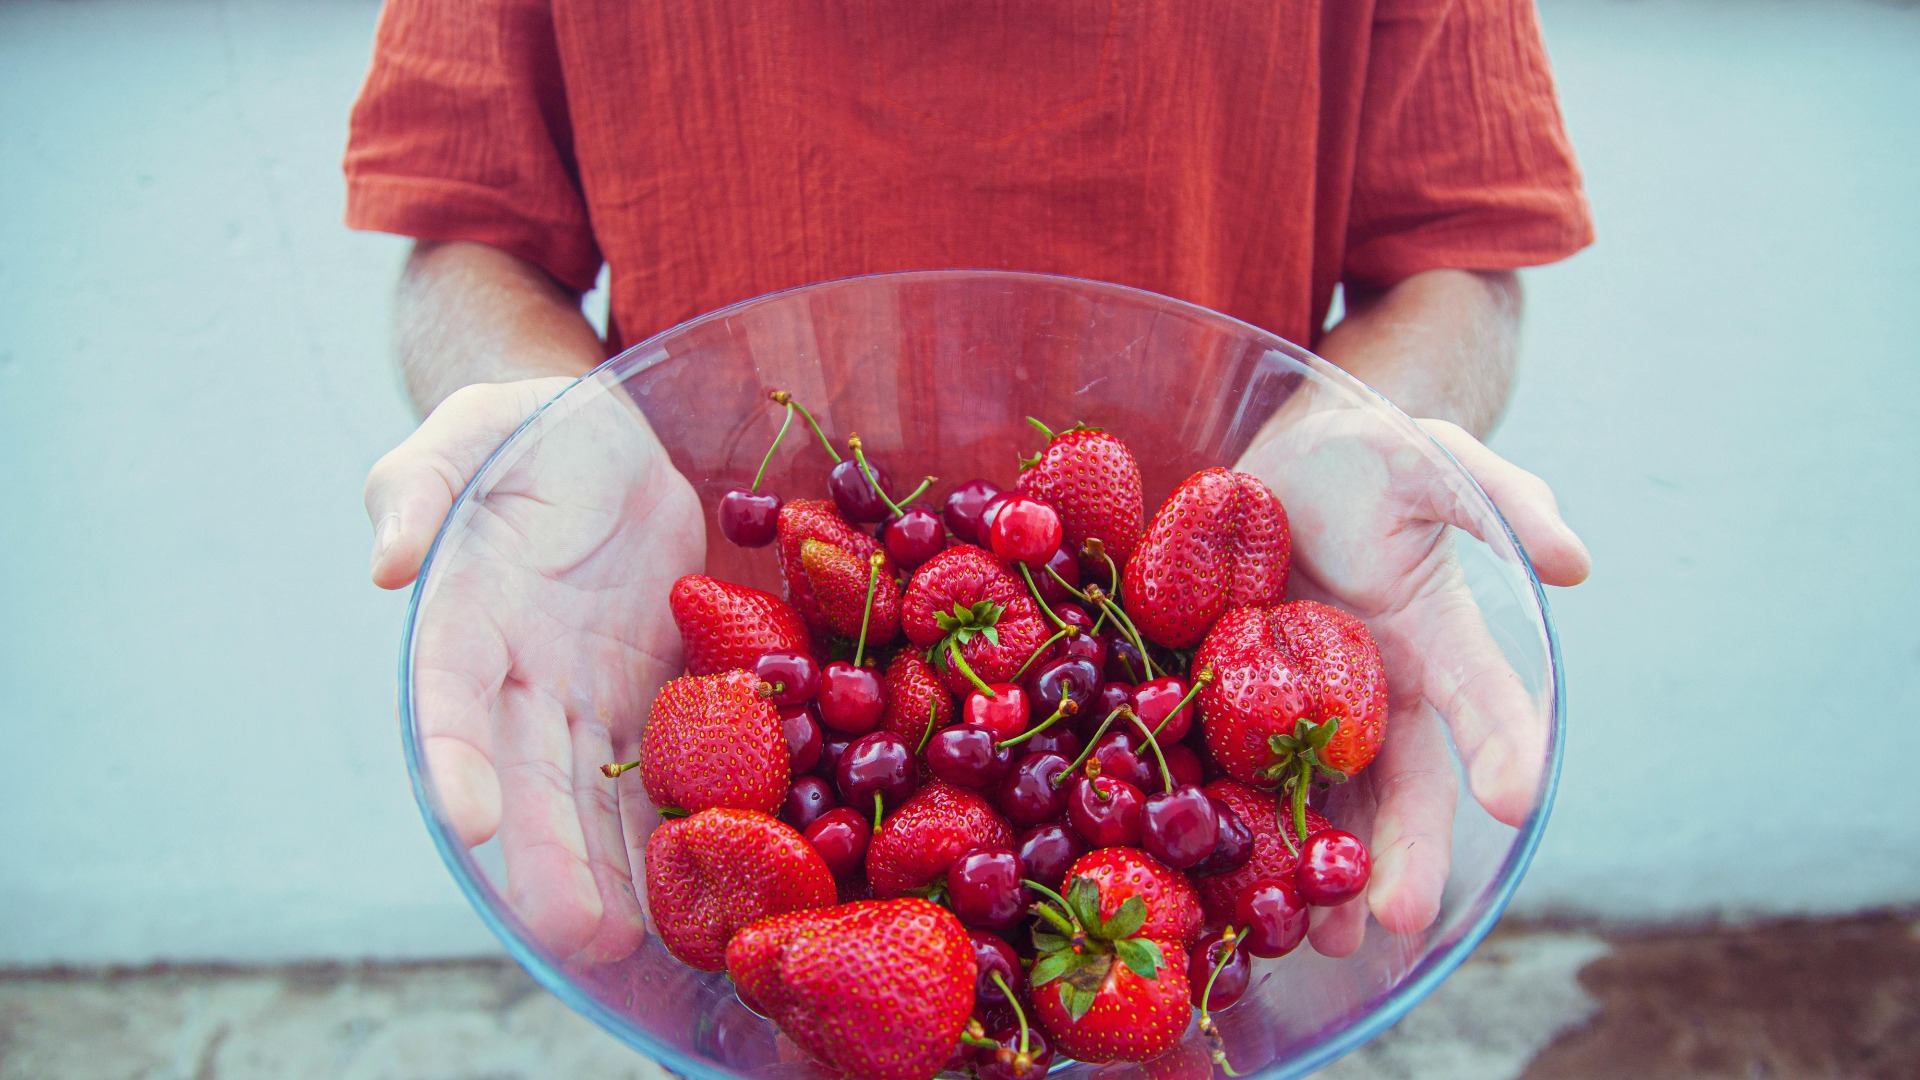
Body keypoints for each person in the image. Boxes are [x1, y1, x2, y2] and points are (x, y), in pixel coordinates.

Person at [347, 0, 1594, 965]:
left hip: (1205, 750)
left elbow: (1454, 255)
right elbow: (473, 235)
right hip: (699, 730)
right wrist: (535, 422)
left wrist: (1361, 421)